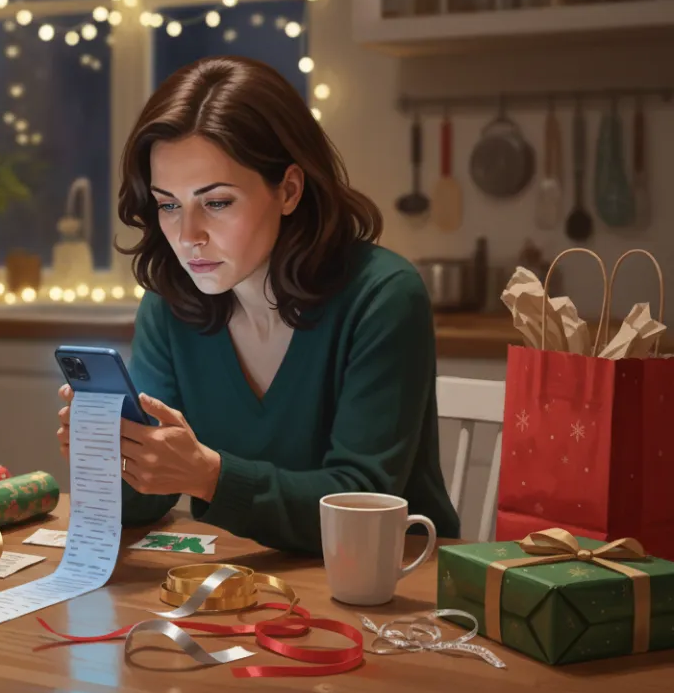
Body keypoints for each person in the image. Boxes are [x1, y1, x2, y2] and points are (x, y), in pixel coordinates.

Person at [56, 55, 461, 555]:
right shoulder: (168, 303)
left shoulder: (383, 296)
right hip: (245, 588)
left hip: (397, 587)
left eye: (218, 202)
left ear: (288, 190)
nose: (188, 237)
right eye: (168, 204)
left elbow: (363, 503)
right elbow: (145, 502)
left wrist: (210, 477)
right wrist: (114, 456)